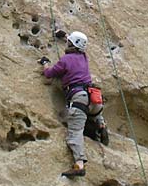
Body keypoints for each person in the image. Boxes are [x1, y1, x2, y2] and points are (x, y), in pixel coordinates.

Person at [40, 30, 109, 178]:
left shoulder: (66, 60)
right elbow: (77, 44)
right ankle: (101, 124)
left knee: (75, 132)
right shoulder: (83, 56)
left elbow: (49, 74)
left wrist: (45, 63)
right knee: (95, 112)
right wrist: (64, 36)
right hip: (94, 100)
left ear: (71, 43)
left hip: (78, 99)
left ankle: (79, 164)